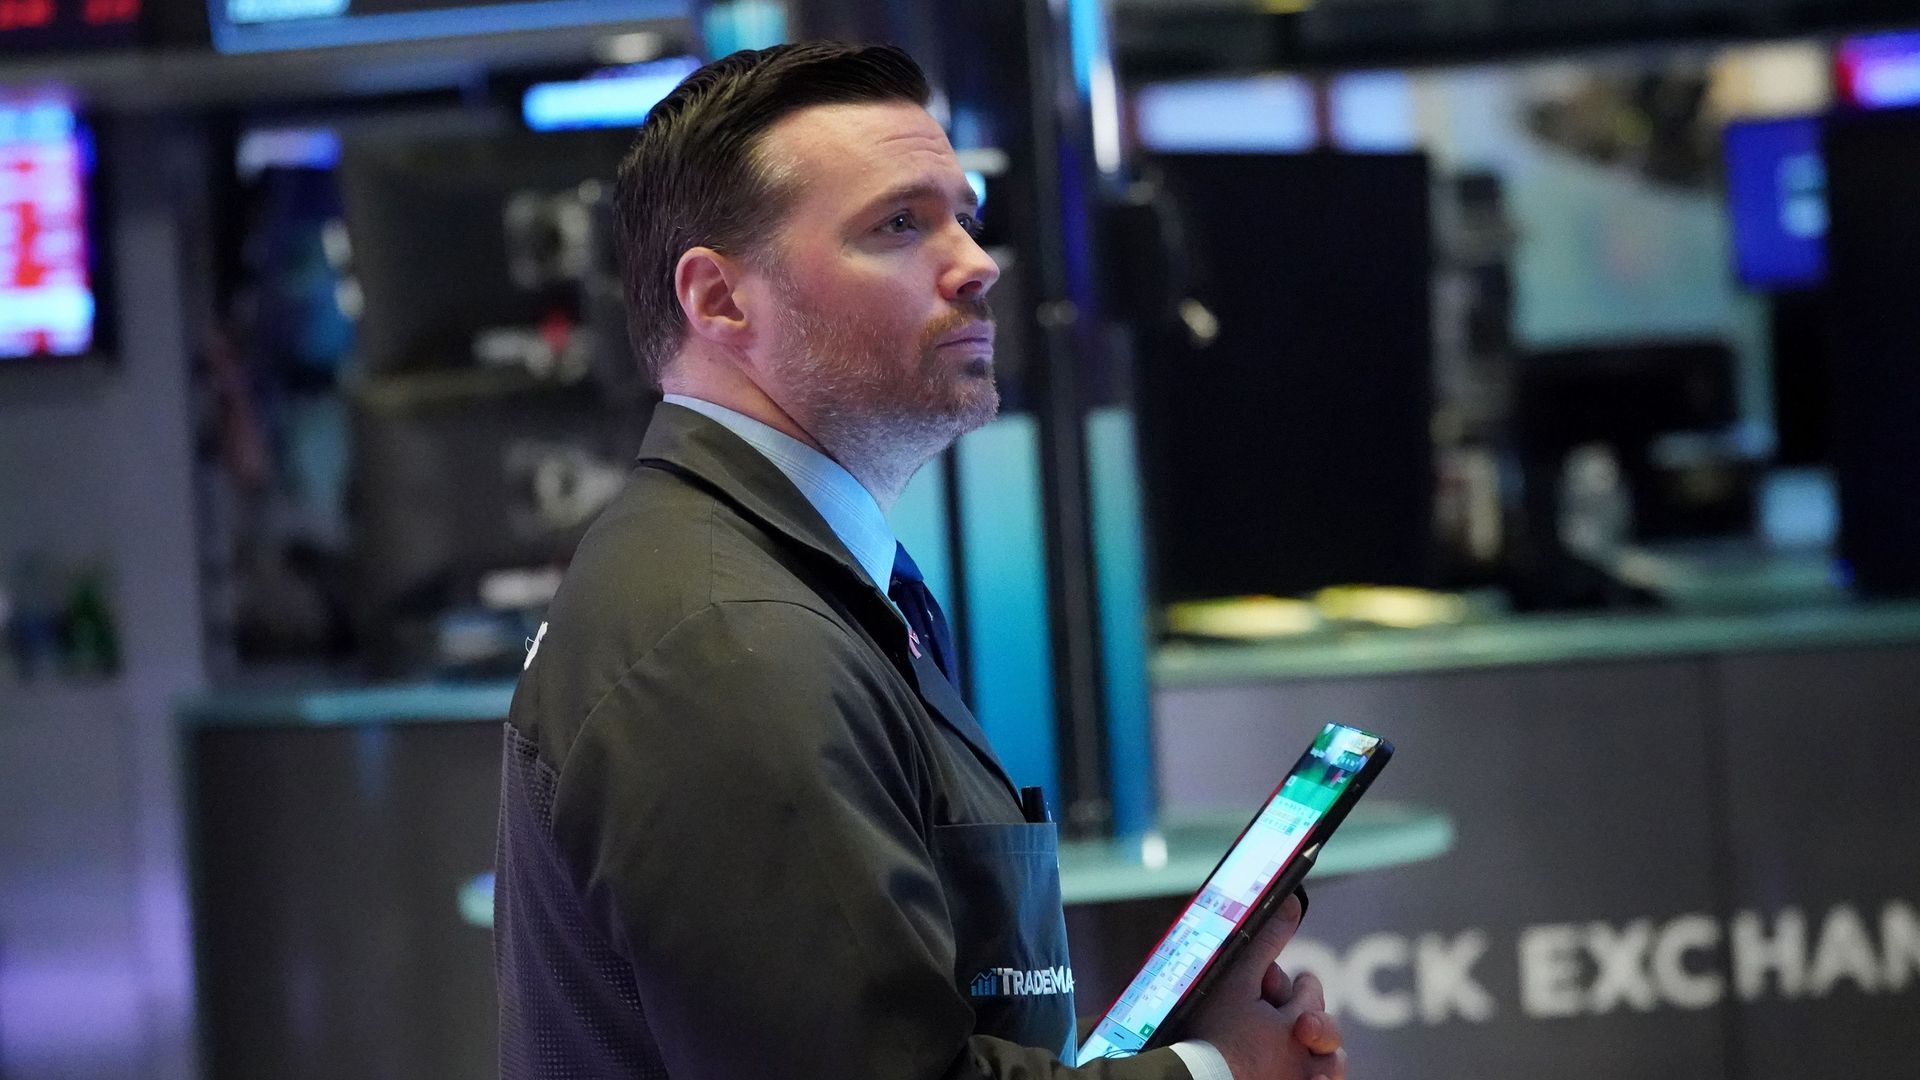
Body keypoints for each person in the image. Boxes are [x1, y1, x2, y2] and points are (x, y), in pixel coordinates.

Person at [493, 41, 1347, 1080]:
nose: (978, 264)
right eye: (899, 225)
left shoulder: (777, 580)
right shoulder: (729, 645)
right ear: (719, 302)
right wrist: (1214, 1075)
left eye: (966, 216)